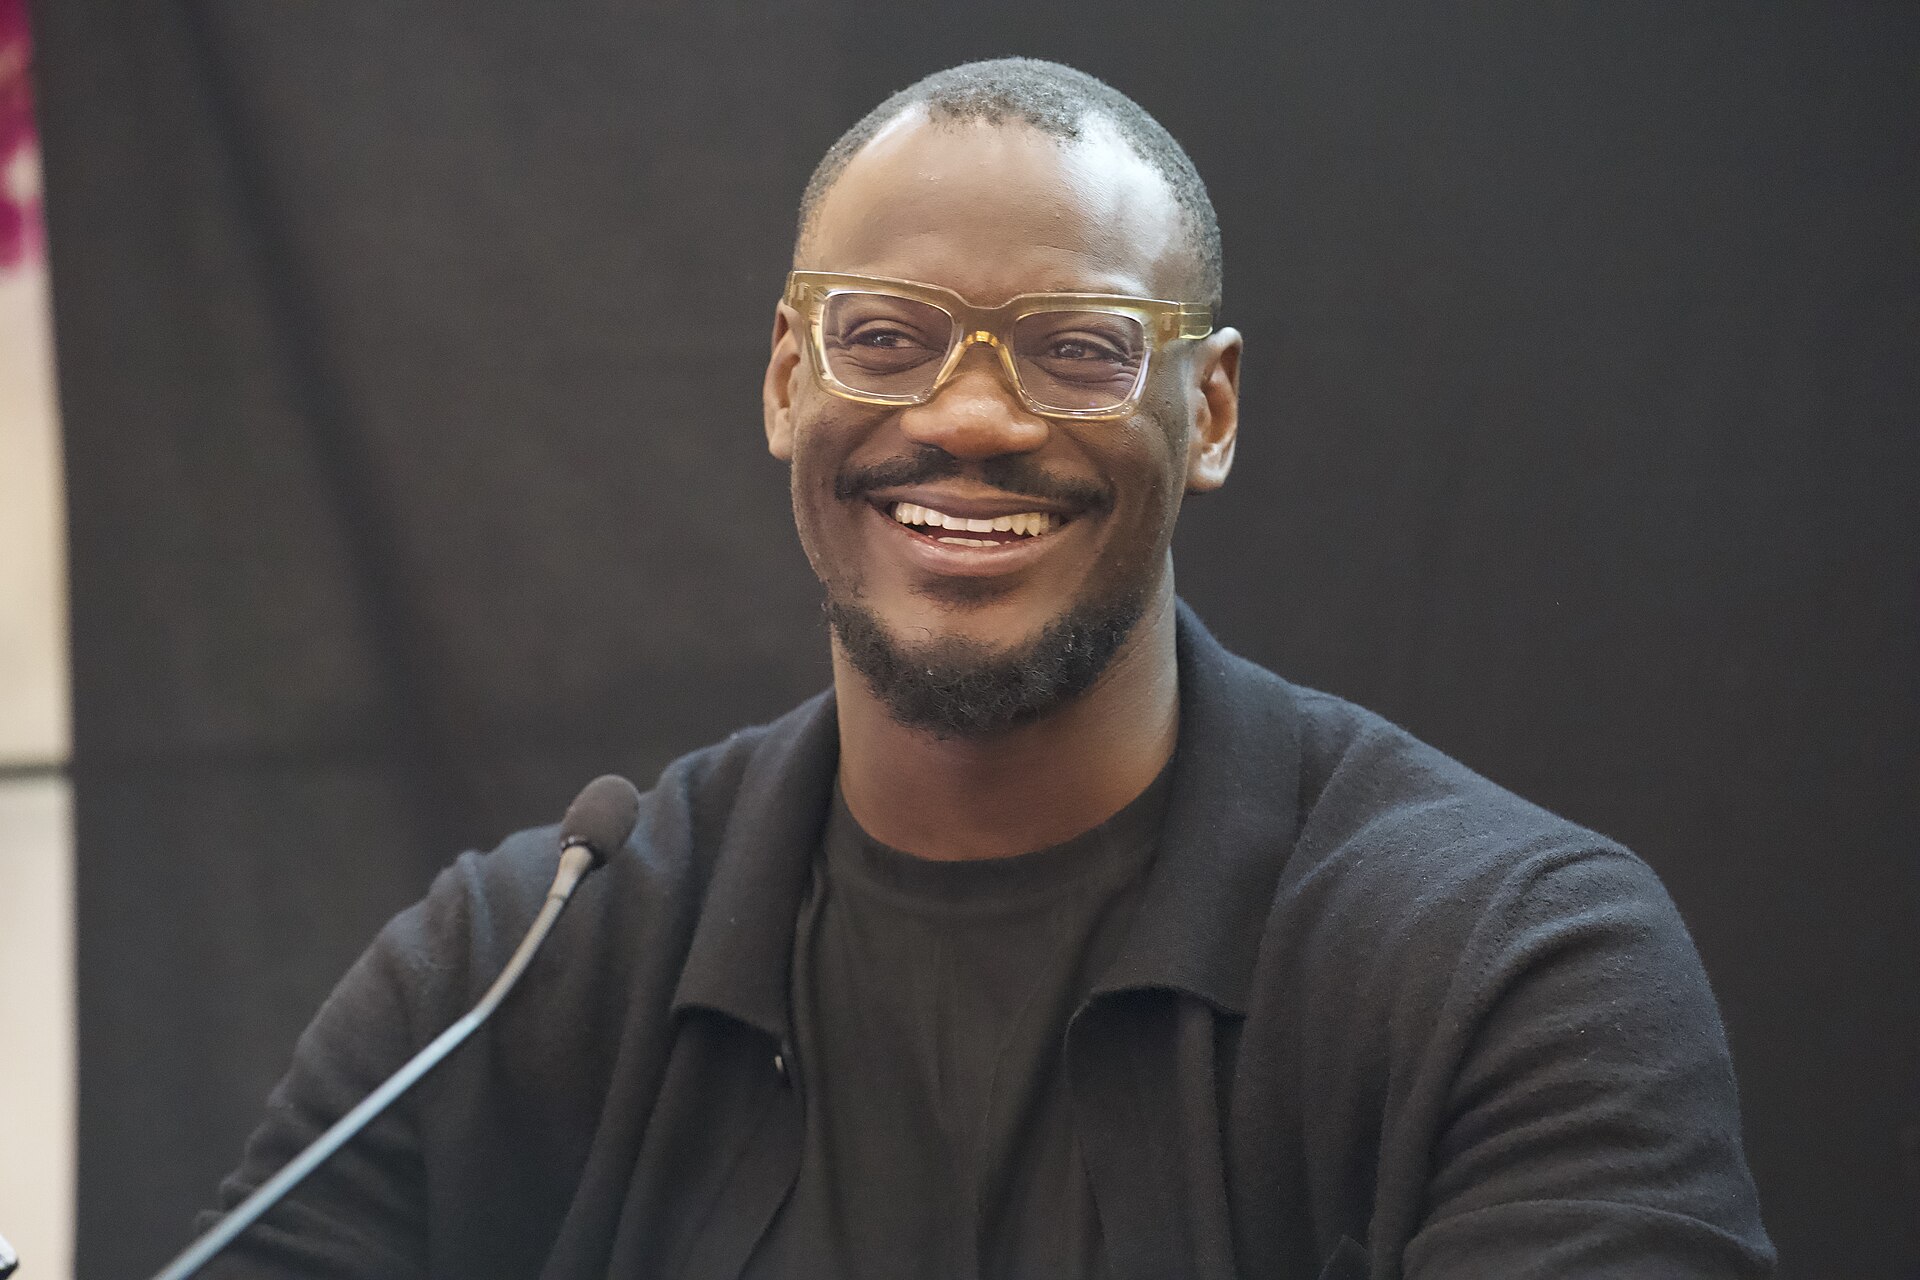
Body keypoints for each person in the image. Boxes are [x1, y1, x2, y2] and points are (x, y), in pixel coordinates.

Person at [202, 59, 1774, 1279]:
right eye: (882, 338)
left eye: (1078, 346)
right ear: (782, 380)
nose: (967, 416)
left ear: (1209, 411)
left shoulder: (1508, 972)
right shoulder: (525, 963)